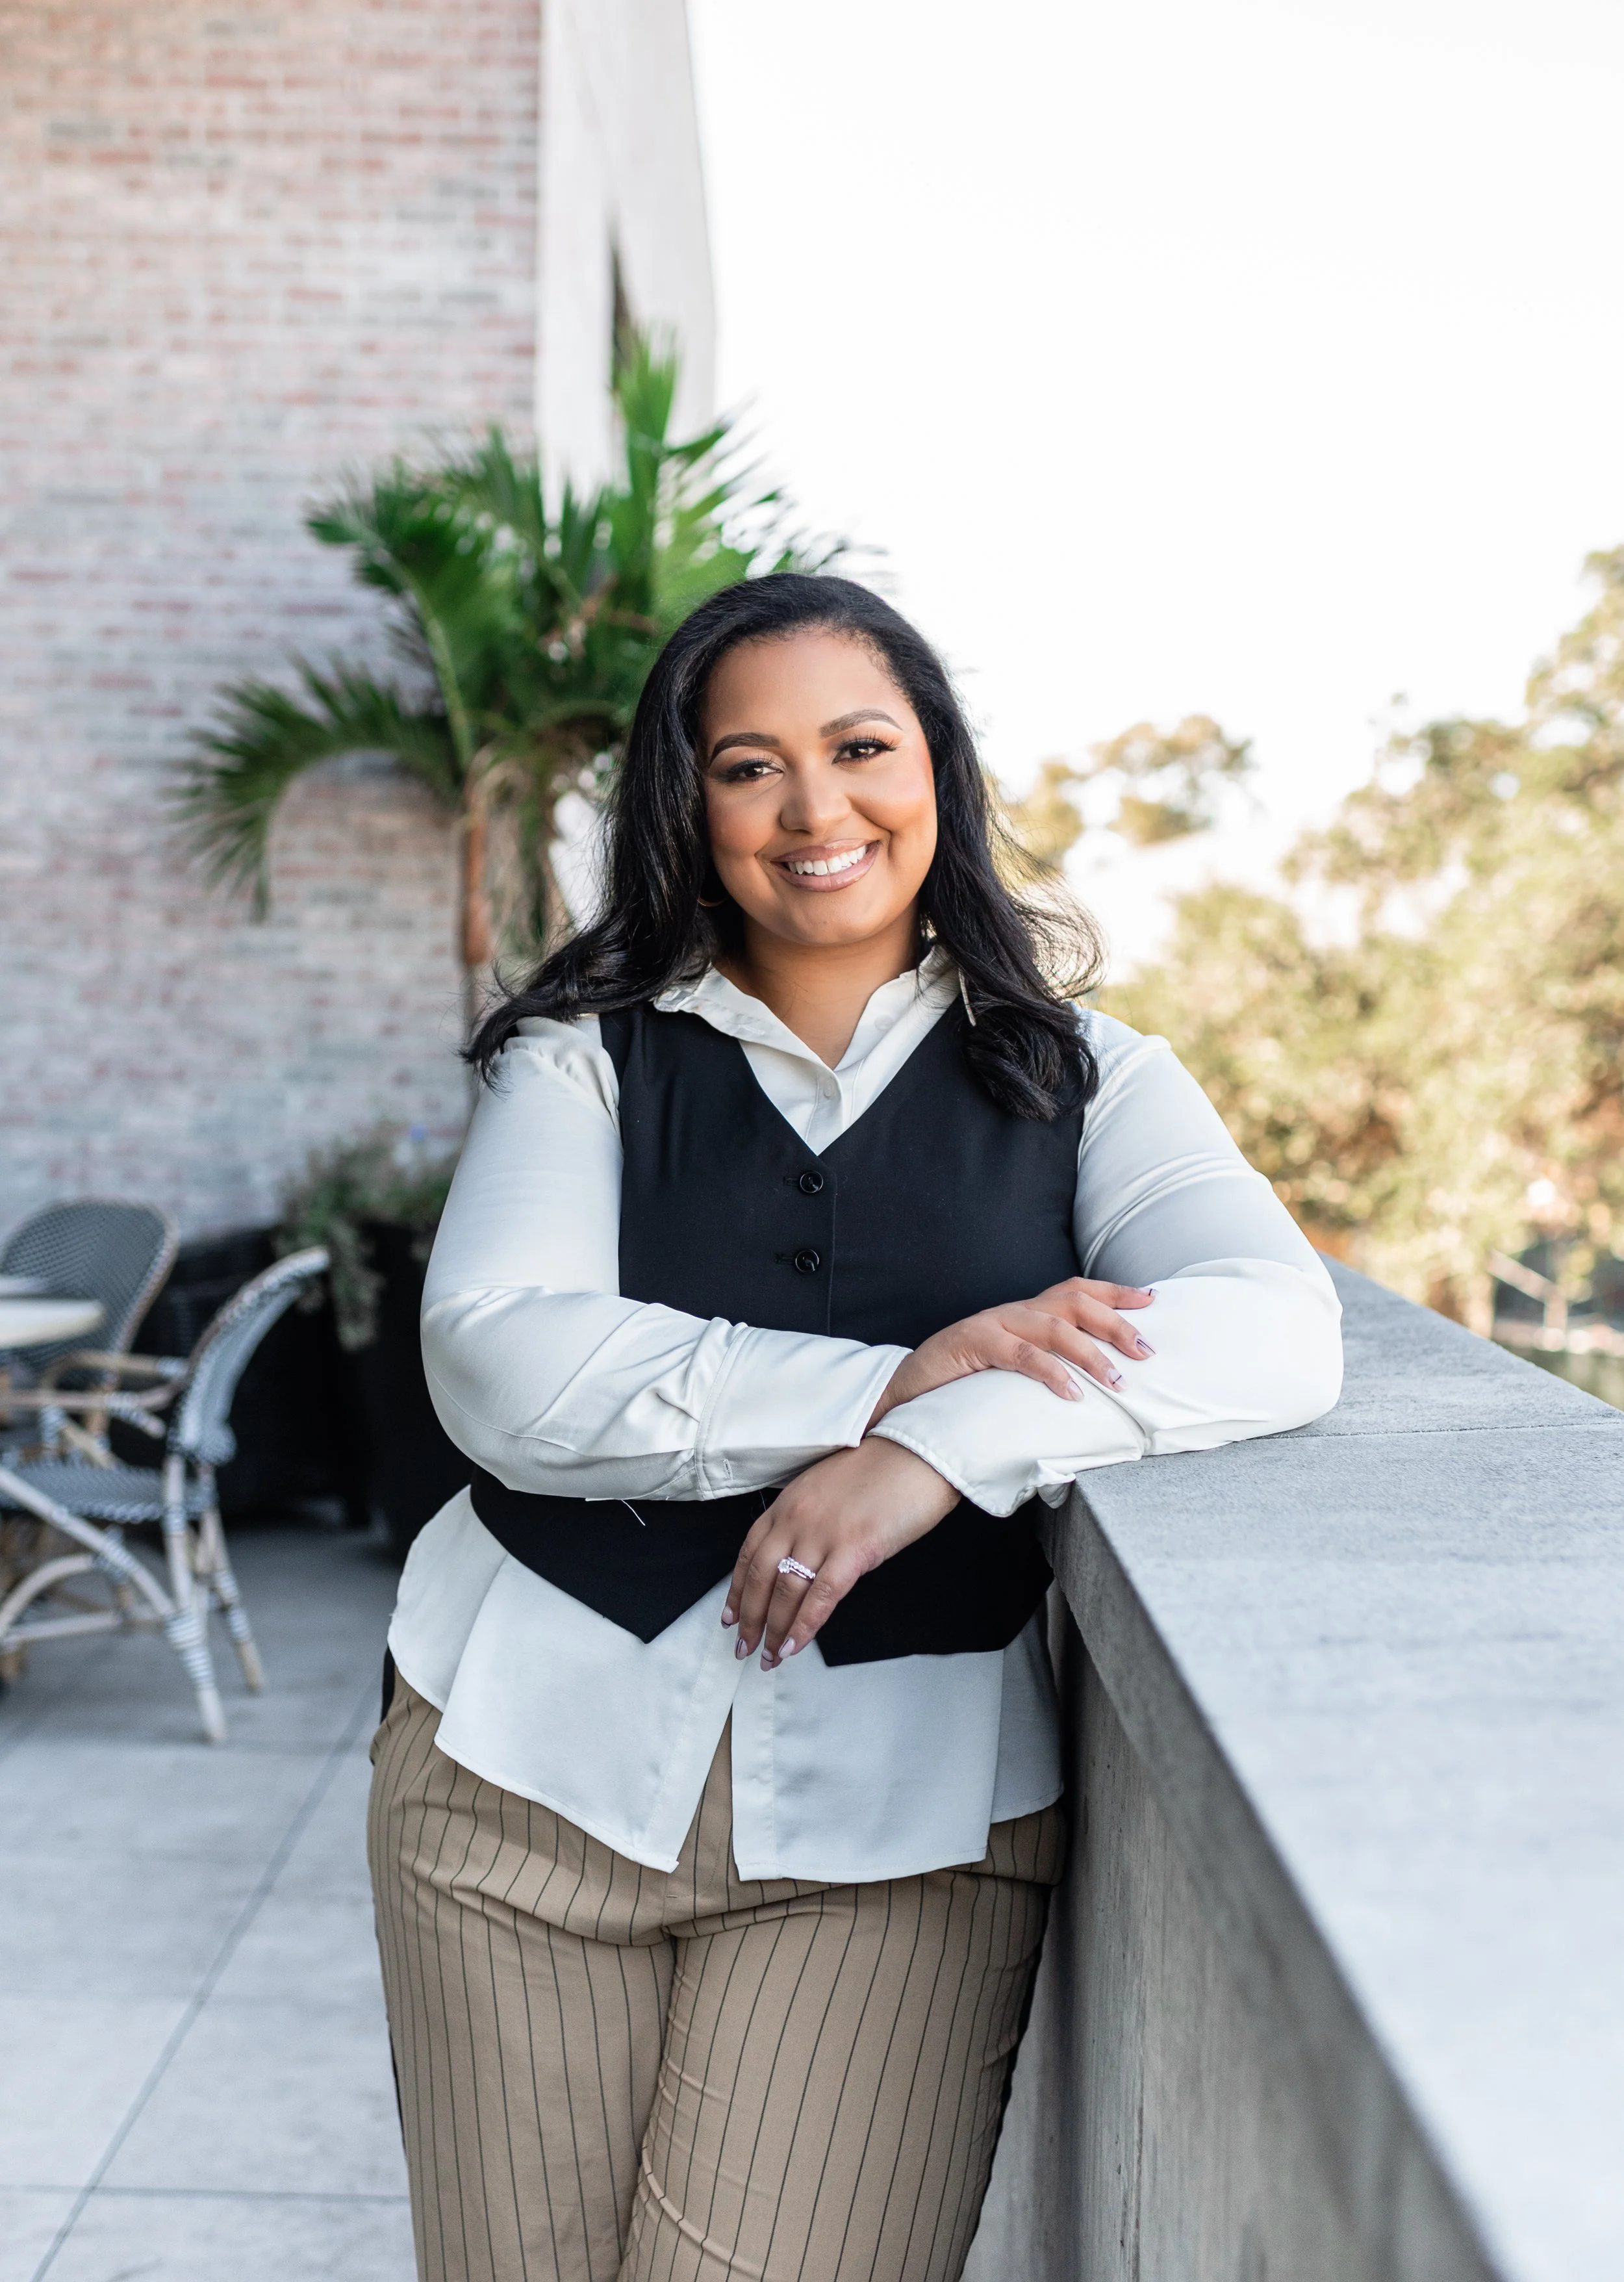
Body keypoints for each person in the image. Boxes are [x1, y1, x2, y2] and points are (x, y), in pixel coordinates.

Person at [368, 575, 1343, 2282]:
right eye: (748, 765)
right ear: (687, 806)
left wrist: (935, 1452)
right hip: (513, 1774)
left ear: (940, 774)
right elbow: (499, 1368)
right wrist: (880, 1383)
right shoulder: (585, 1068)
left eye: (859, 747)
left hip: (901, 1833)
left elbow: (1273, 1328)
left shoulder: (1086, 1080)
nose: (815, 810)